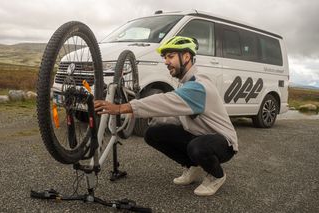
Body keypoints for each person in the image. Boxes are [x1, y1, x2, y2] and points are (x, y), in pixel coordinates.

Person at [94, 36, 238, 196]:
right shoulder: (185, 83)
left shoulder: (198, 86)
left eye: (170, 56)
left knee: (197, 147)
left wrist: (123, 108)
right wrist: (148, 117)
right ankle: (192, 166)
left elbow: (164, 101)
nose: (166, 62)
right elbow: (177, 116)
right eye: (165, 58)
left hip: (224, 142)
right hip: (199, 134)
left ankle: (216, 176)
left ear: (186, 57)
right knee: (153, 134)